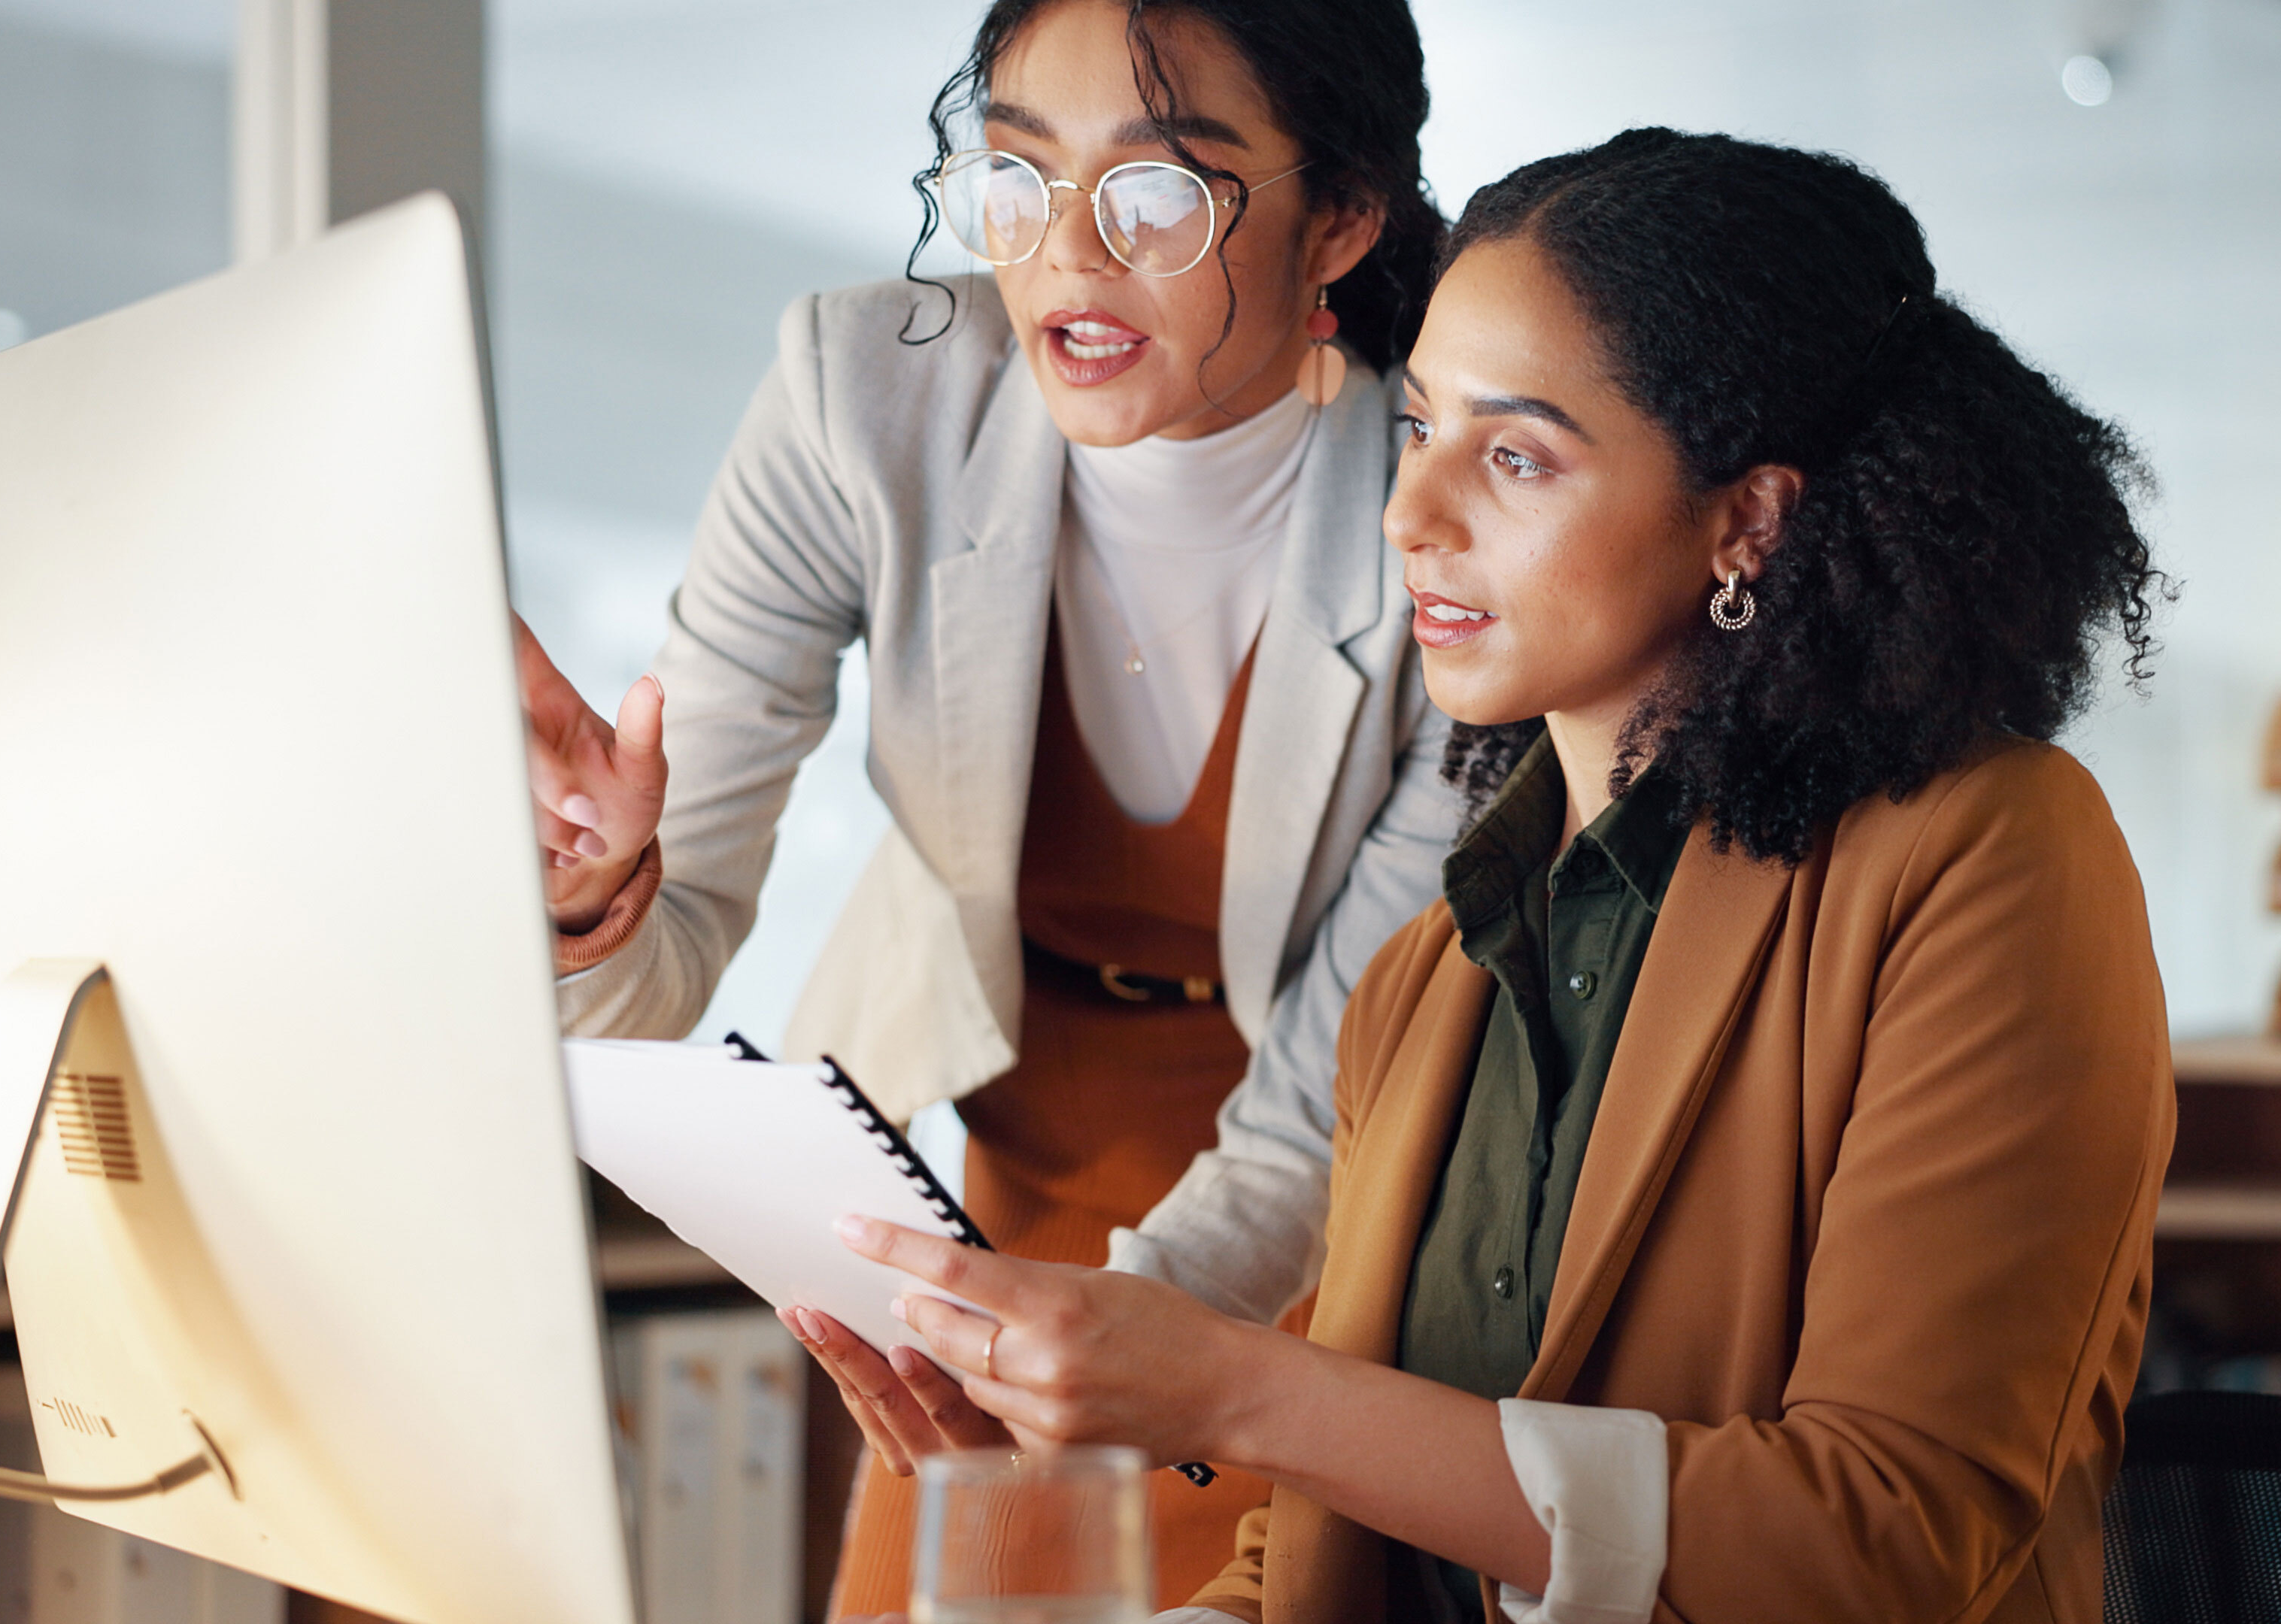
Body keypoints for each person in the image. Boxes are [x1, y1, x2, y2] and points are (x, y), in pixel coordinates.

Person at [814, 128, 2179, 1623]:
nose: (1411, 514)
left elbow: (1874, 1546)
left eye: (1514, 455)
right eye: (1416, 430)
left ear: (1748, 521)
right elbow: (1323, 1555)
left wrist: (1230, 1391)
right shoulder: (1423, 972)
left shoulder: (1984, 858)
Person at [511, 0, 1465, 1608]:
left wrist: (1082, 1358)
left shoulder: (1442, 502)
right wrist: (591, 889)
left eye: (1159, 192)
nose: (1065, 258)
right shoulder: (860, 398)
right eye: (1016, 178)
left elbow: (1322, 1108)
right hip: (1002, 1203)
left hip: (1358, 1234)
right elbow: (653, 974)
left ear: (1343, 219)